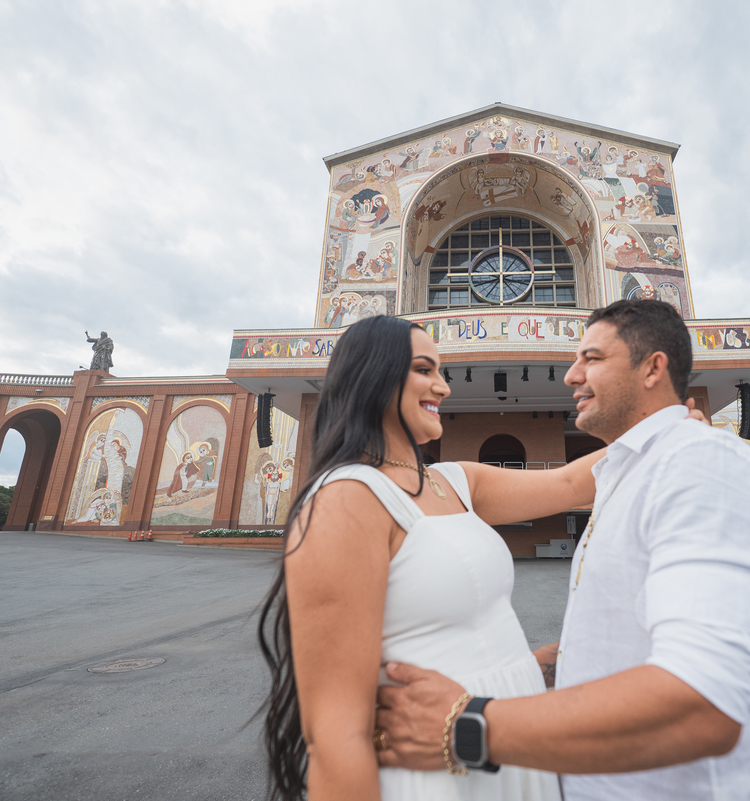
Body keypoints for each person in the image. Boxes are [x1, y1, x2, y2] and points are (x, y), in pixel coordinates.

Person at [375, 299, 750, 800]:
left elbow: (703, 702)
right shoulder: (631, 469)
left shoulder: (699, 465)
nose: (571, 375)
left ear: (653, 368)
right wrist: (520, 672)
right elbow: (614, 626)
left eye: (591, 358)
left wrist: (466, 726)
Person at [257, 315, 609, 801]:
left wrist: (658, 437)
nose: (442, 387)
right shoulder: (346, 498)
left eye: (440, 372)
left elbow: (569, 483)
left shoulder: (455, 481)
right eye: (425, 369)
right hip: (433, 775)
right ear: (373, 375)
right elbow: (336, 732)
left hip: (501, 741)